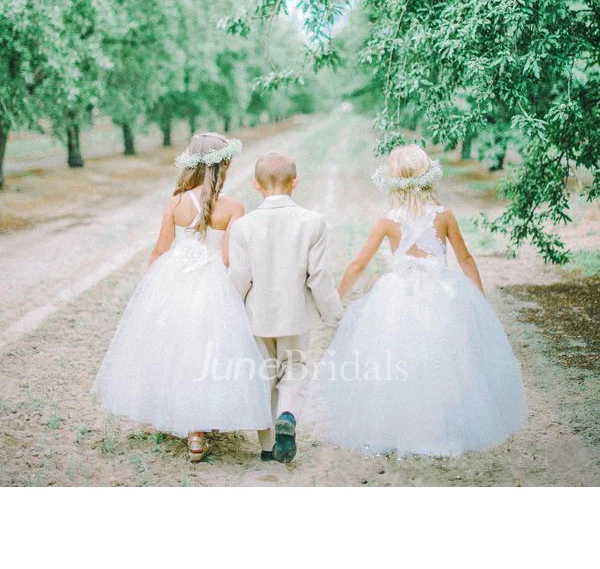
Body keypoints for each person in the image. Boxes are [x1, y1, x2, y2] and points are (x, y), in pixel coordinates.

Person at [315, 143, 527, 458]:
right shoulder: (443, 216)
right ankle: (439, 426)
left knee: (396, 359)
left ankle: (398, 426)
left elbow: (358, 264)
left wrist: (334, 299)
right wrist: (478, 298)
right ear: (428, 176)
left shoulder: (387, 221)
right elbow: (465, 259)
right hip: (440, 294)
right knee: (444, 360)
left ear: (392, 181)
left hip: (396, 296)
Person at [91, 132, 271, 462]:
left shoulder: (175, 203)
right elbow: (229, 258)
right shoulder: (233, 207)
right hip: (213, 284)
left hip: (173, 280)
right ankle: (200, 423)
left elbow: (160, 250)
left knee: (176, 349)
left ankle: (191, 428)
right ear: (224, 165)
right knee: (208, 351)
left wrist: (149, 292)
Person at [228, 151, 343, 463]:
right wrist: (333, 312)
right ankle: (287, 415)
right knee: (294, 367)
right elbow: (319, 275)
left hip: (257, 315)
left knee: (263, 375)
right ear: (295, 182)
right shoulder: (312, 222)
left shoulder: (243, 226)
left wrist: (230, 310)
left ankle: (268, 448)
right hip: (295, 314)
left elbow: (240, 277)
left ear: (255, 184)